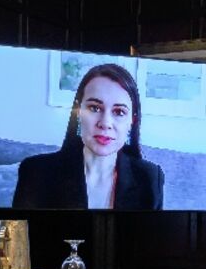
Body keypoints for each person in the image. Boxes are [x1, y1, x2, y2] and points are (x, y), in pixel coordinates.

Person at [12, 63, 165, 210]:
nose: (105, 123)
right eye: (95, 108)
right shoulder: (35, 171)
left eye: (119, 112)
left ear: (132, 121)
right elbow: (11, 236)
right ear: (79, 112)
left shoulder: (150, 178)